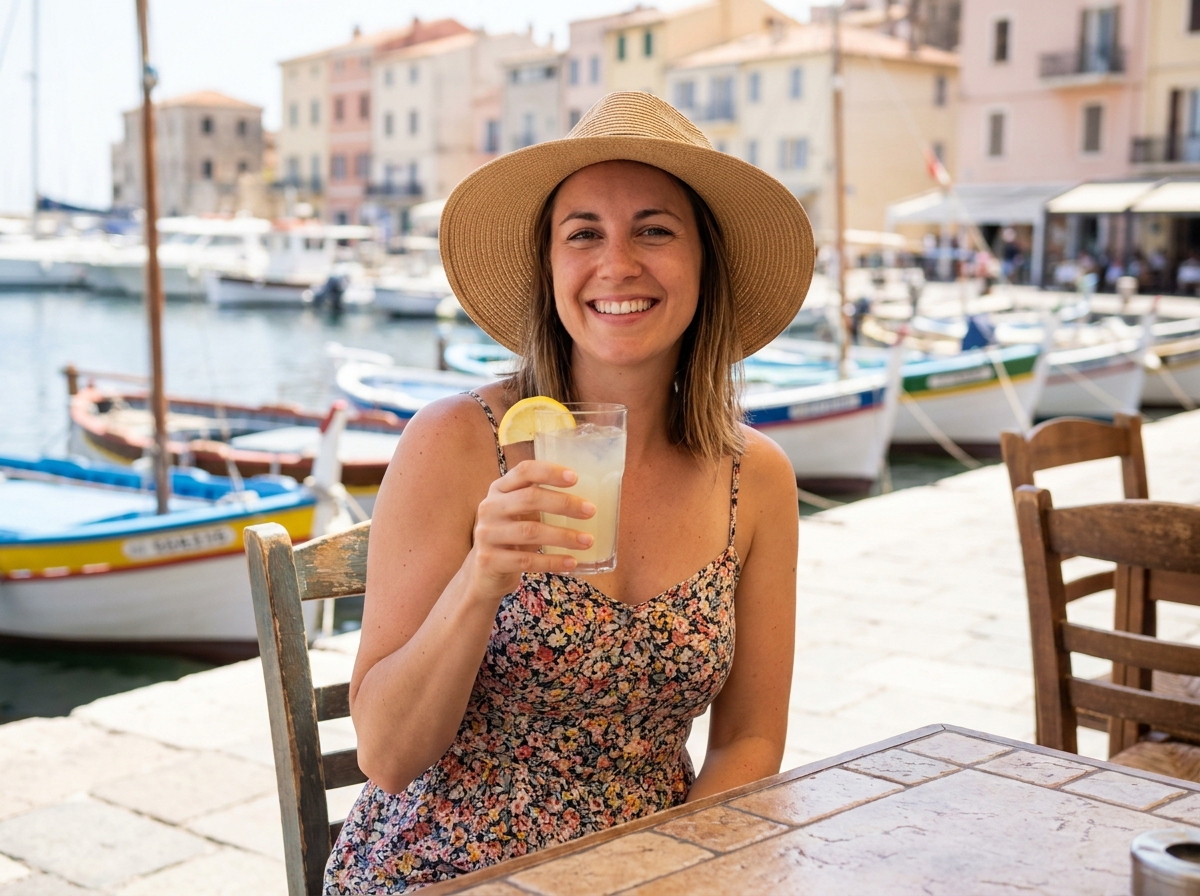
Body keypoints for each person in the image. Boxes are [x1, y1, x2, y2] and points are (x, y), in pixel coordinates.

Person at [324, 93, 809, 893]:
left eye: (654, 229)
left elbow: (748, 744)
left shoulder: (754, 478)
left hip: (657, 867)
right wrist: (482, 577)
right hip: (445, 869)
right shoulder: (454, 441)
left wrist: (669, 874)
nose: (617, 264)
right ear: (550, 267)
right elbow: (387, 755)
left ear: (704, 263)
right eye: (583, 234)